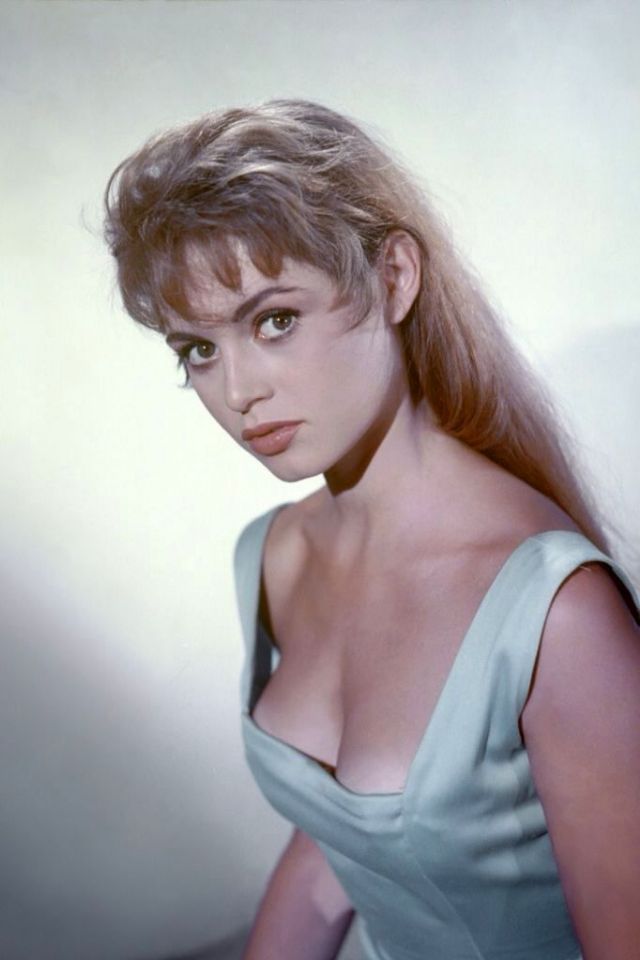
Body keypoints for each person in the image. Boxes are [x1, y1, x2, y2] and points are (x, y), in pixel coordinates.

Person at [103, 99, 640, 960]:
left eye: (274, 320)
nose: (237, 391)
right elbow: (339, 841)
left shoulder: (556, 613)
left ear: (394, 277)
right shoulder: (275, 558)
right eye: (197, 349)